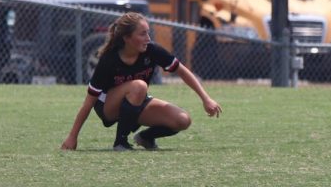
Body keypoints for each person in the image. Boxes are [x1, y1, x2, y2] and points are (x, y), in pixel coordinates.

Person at [61, 12, 222, 151]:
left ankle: (145, 138)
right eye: (142, 34)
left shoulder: (151, 50)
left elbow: (181, 70)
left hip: (135, 100)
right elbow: (88, 102)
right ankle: (120, 143)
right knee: (139, 85)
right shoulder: (109, 59)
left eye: (148, 33)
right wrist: (72, 137)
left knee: (182, 120)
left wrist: (205, 99)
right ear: (127, 38)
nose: (148, 38)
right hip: (107, 108)